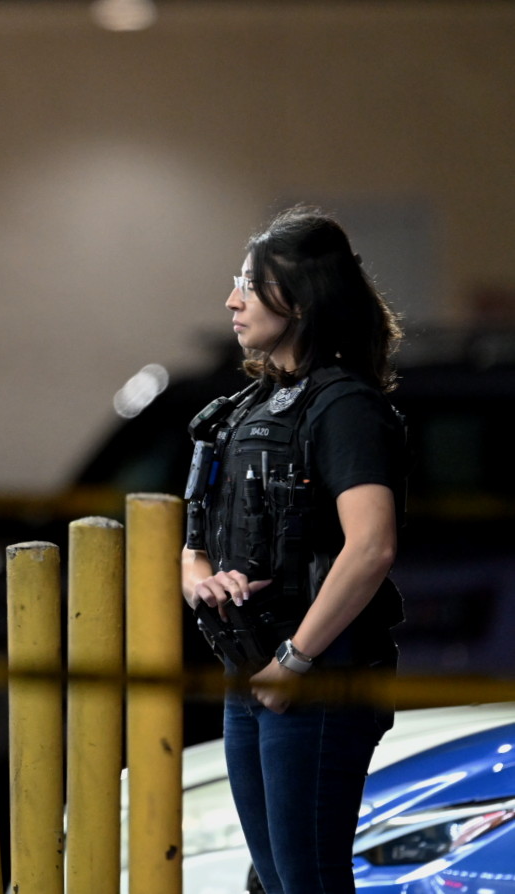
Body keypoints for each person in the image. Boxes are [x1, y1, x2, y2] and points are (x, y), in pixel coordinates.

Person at [180, 206, 406, 893]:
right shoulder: (247, 407)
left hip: (312, 671)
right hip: (252, 667)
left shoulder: (342, 406)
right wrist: (198, 577)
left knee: (305, 881)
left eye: (250, 284)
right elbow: (193, 533)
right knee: (274, 881)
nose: (231, 300)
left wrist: (295, 659)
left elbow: (369, 547)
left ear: (300, 299)